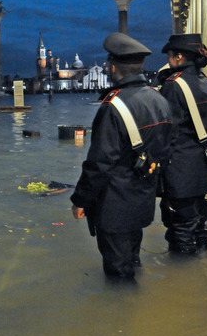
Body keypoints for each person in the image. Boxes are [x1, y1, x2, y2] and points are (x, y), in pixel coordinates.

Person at [70, 32, 172, 278]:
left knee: (118, 271)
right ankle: (136, 309)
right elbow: (166, 147)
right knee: (131, 258)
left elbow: (99, 163)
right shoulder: (159, 99)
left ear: (113, 67)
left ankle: (122, 310)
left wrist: (81, 199)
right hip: (143, 197)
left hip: (115, 205)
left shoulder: (113, 106)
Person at [157, 33, 207, 253]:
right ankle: (202, 267)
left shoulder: (173, 85)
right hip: (203, 164)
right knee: (199, 218)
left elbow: (167, 132)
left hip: (180, 168)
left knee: (179, 226)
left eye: (170, 56)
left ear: (179, 57)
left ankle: (182, 276)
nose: (168, 60)